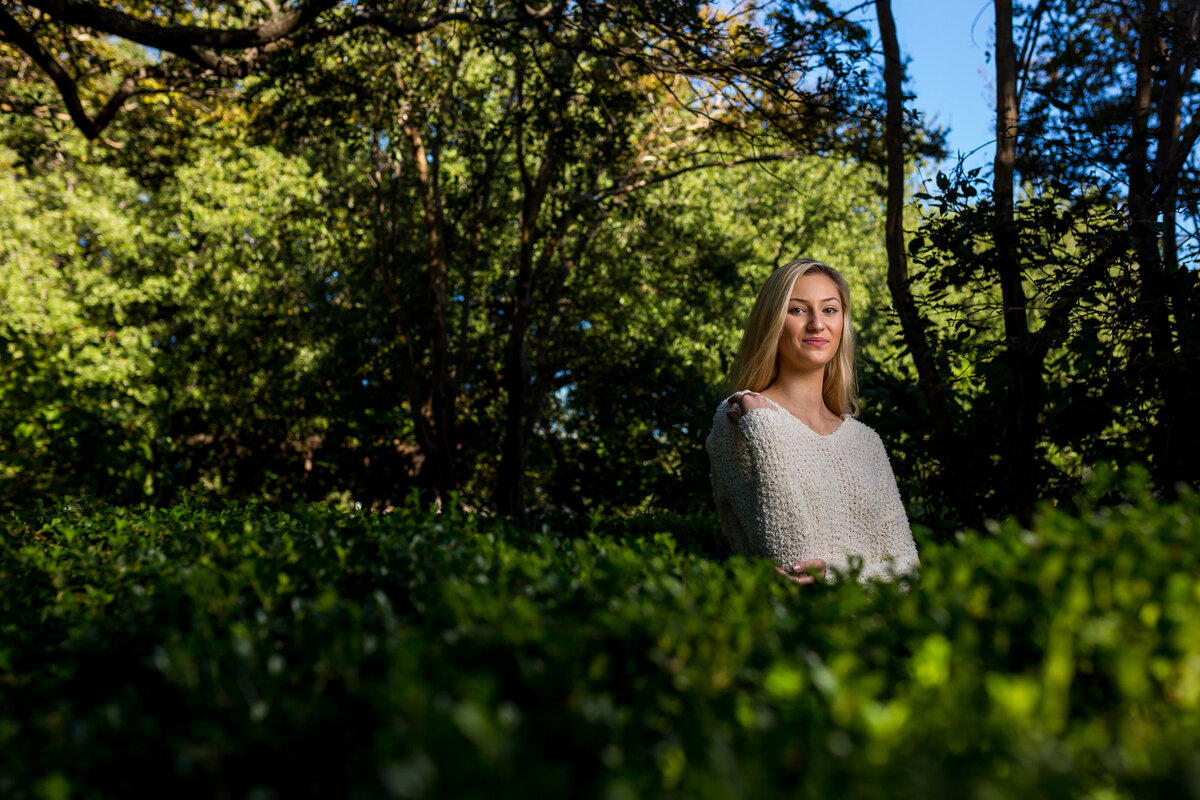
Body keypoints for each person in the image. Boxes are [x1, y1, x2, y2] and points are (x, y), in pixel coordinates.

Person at [706, 258, 920, 585]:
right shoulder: (741, 420)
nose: (817, 324)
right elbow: (788, 558)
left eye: (830, 310)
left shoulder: (867, 442)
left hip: (882, 631)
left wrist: (835, 576)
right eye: (798, 310)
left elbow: (909, 570)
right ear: (772, 322)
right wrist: (764, 430)